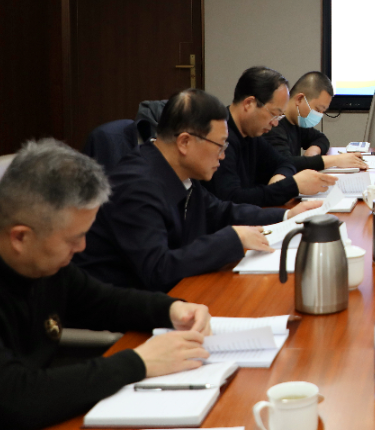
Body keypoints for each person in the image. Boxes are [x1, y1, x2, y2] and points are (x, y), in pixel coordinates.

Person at [0, 139, 214, 430]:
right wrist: (138, 362)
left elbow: (104, 302)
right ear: (20, 237)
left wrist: (171, 309)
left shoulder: (42, 263)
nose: (82, 247)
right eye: (73, 238)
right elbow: (15, 398)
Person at [75, 88, 323, 292]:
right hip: (124, 312)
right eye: (219, 146)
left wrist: (287, 216)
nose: (222, 155)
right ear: (184, 142)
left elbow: (219, 211)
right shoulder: (137, 185)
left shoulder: (174, 170)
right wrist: (231, 240)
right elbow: (158, 269)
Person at [203, 66, 337, 207]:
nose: (275, 123)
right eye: (274, 114)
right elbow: (233, 199)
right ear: (249, 104)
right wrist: (291, 186)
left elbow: (284, 163)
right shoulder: (220, 138)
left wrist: (280, 178)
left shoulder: (252, 133)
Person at [265, 71, 367, 172]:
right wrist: (336, 160)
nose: (319, 115)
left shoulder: (296, 122)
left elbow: (321, 138)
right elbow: (286, 163)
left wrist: (314, 150)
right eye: (318, 109)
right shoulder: (273, 126)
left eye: (323, 111)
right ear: (299, 99)